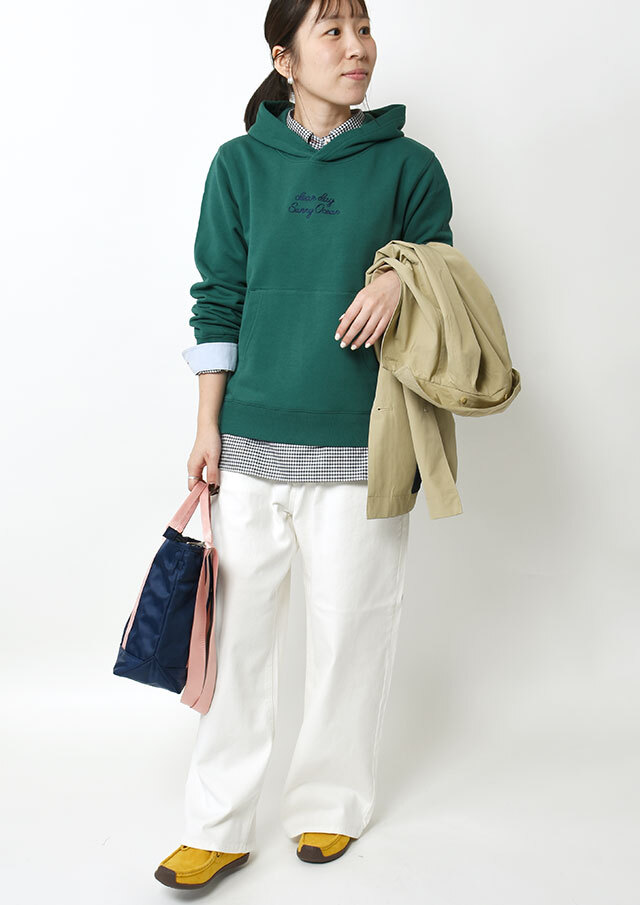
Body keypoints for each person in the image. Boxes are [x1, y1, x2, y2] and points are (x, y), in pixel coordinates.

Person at [154, 0, 454, 890]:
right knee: (236, 646)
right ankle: (218, 823)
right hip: (250, 446)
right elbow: (219, 296)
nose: (357, 47)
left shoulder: (409, 166)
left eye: (364, 27)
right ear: (284, 58)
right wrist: (206, 426)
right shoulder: (239, 165)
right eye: (333, 31)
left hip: (367, 447)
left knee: (351, 633)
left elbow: (444, 272)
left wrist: (402, 277)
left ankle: (330, 804)